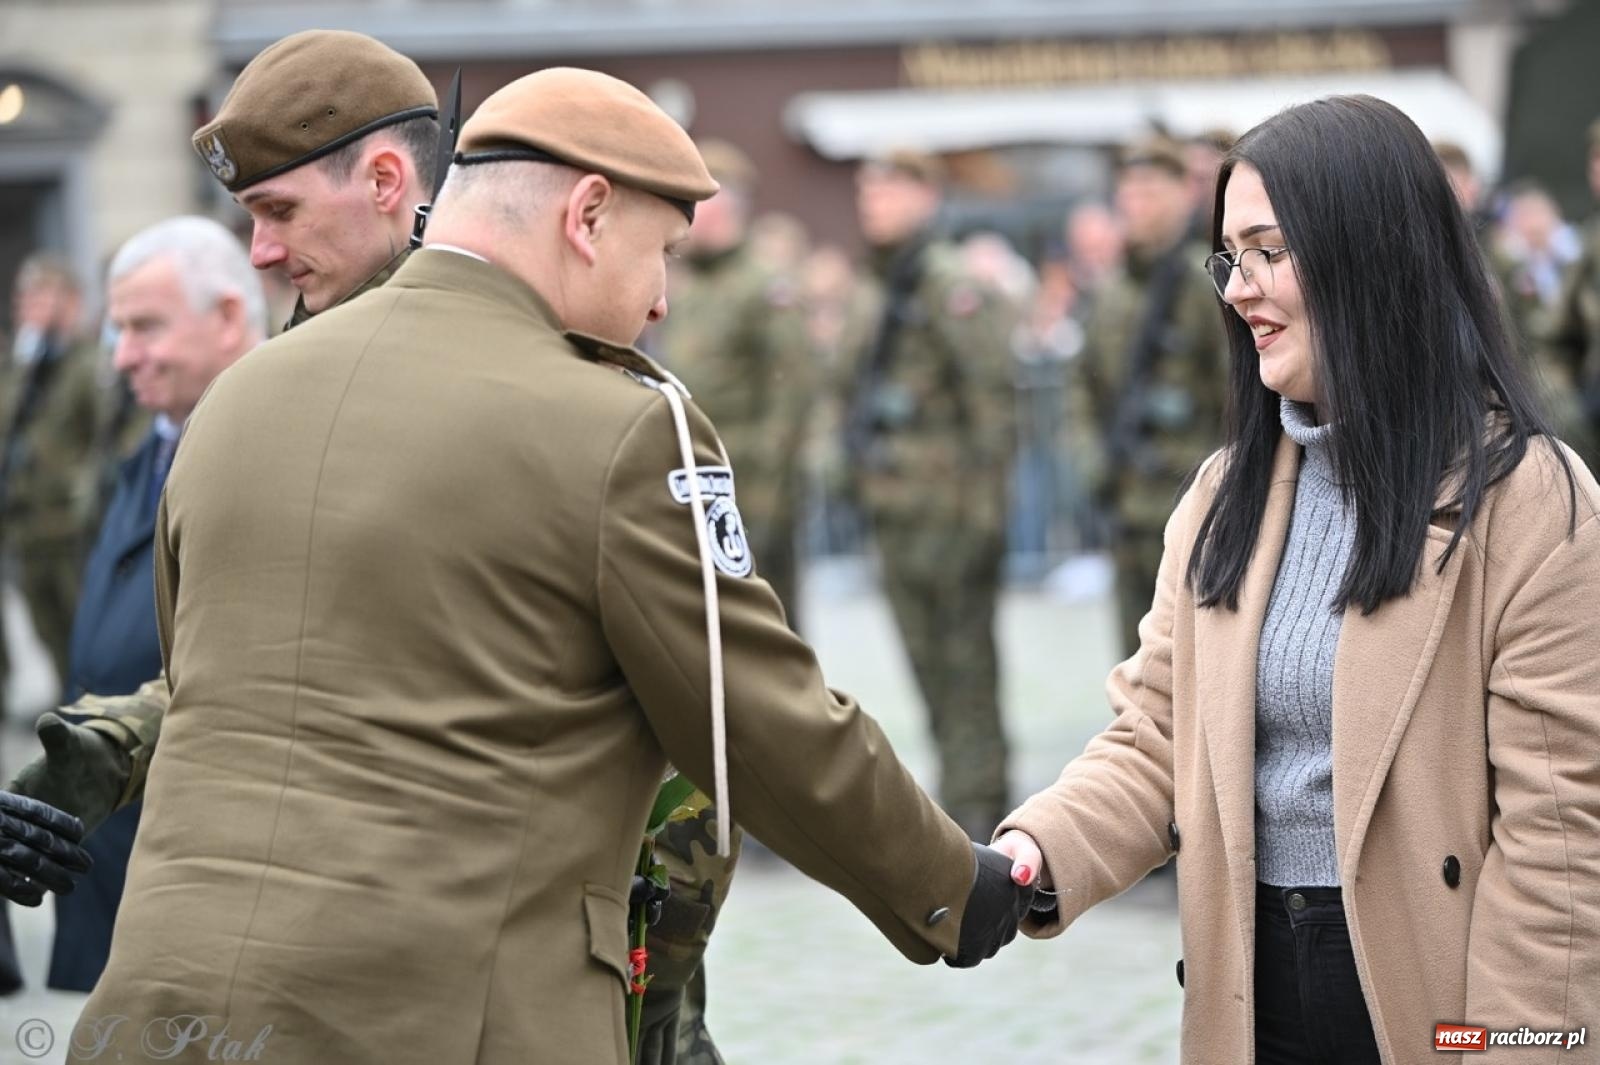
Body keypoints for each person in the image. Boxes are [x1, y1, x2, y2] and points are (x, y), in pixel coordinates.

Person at [67, 68, 1030, 1065]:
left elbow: (194, 679)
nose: (660, 301)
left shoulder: (238, 400)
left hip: (158, 1014)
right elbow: (756, 717)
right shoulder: (619, 426)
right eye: (659, 253)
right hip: (439, 1018)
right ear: (588, 214)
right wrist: (955, 891)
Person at [991, 94, 1600, 1063]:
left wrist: (1508, 1047)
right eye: (1230, 256)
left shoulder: (1531, 502)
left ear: (1374, 252)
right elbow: (1157, 732)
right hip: (1246, 990)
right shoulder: (1223, 493)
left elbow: (1560, 845)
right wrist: (1031, 855)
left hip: (1433, 1008)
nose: (1238, 289)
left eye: (1269, 250)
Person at [1, 27, 440, 877]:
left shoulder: (511, 365)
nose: (261, 254)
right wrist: (116, 743)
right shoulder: (293, 384)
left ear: (386, 181)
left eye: (279, 211)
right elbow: (266, 649)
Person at [34, 218, 266, 992]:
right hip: (116, 857)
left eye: (144, 327)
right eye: (116, 329)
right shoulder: (149, 453)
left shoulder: (270, 456)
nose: (122, 355)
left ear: (228, 317)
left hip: (201, 887)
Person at [639, 136, 816, 1065]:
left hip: (752, 505)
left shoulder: (764, 285)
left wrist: (775, 498)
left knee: (774, 671)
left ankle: (784, 808)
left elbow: (792, 395)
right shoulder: (695, 285)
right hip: (693, 498)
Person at [841, 149, 1017, 840]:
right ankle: (957, 788)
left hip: (952, 512)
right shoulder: (876, 286)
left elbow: (992, 402)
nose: (872, 201)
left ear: (924, 195)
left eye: (888, 187)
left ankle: (980, 802)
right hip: (895, 509)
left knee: (966, 663)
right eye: (866, 188)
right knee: (925, 664)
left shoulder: (948, 284)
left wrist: (984, 514)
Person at [1069, 136, 1227, 661]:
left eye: (1151, 192)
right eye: (1129, 192)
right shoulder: (1110, 294)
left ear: (1184, 193)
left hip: (1198, 509)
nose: (1137, 205)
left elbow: (1239, 398)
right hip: (1128, 508)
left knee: (1202, 664)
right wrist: (1091, 459)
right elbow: (1081, 389)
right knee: (1137, 665)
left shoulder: (1209, 283)